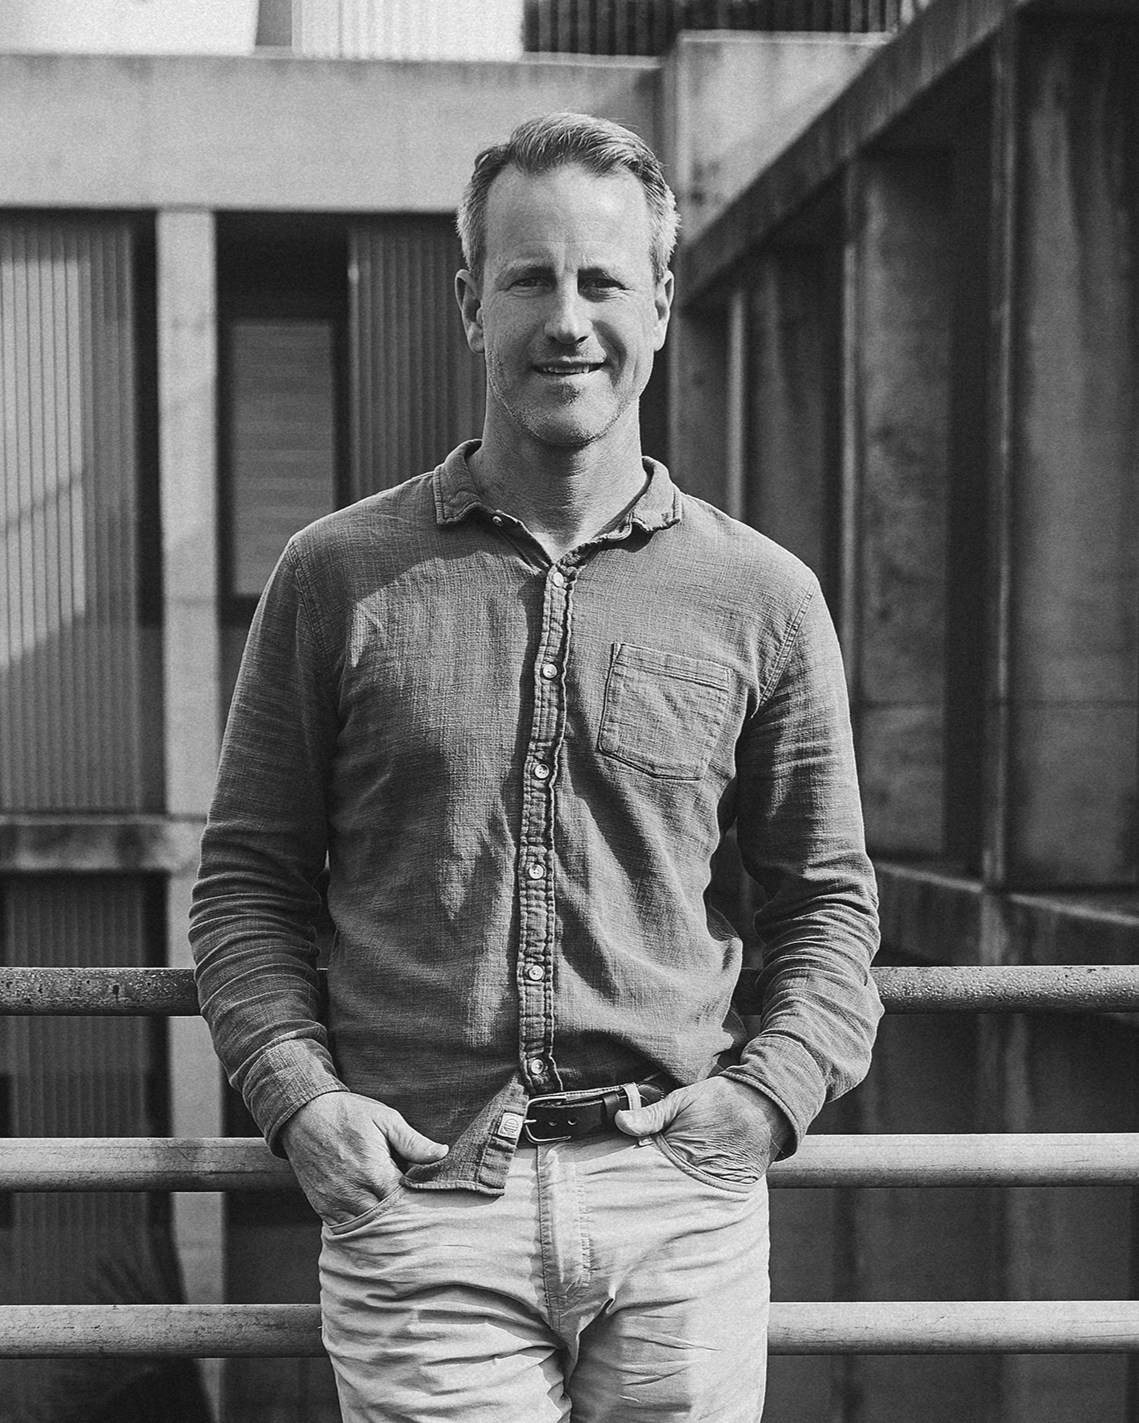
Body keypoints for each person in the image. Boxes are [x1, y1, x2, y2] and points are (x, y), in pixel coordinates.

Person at [190, 111, 881, 1423]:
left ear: (660, 301)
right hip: (423, 1200)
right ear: (471, 303)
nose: (568, 320)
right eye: (529, 280)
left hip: (679, 1202)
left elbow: (828, 902)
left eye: (602, 280)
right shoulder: (335, 575)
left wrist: (767, 1097)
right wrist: (299, 1096)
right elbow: (247, 884)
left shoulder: (763, 596)